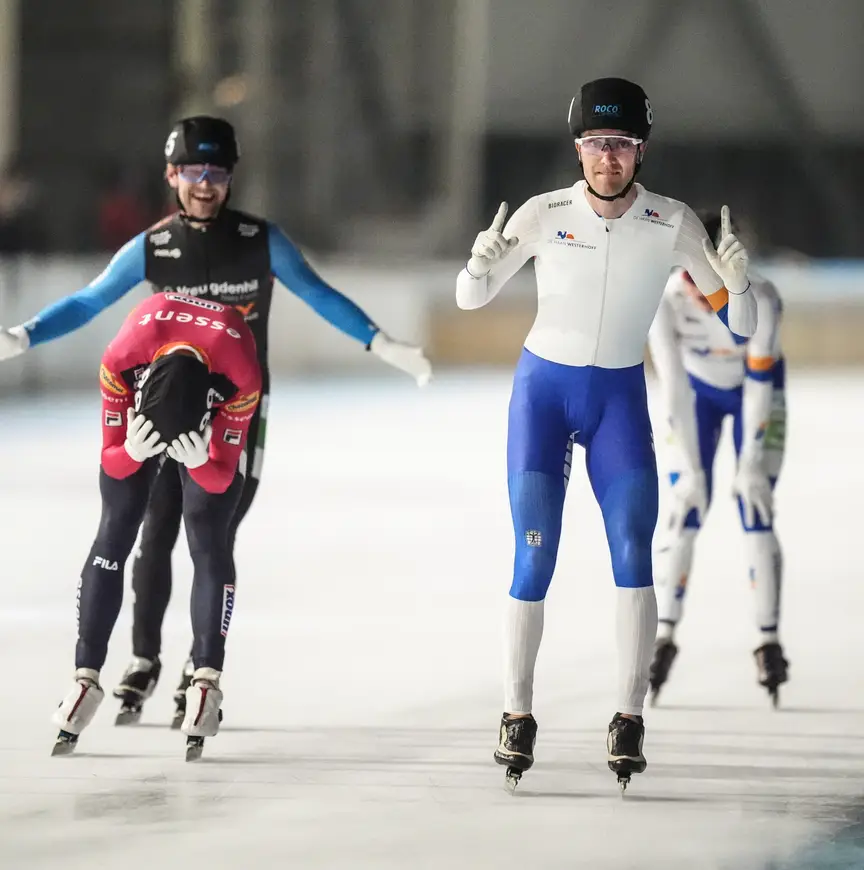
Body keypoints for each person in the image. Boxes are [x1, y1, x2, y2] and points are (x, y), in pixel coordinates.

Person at [0, 116, 432, 727]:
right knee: (154, 532)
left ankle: (198, 663)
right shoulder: (154, 245)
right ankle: (145, 658)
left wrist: (380, 342)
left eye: (218, 174)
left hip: (238, 409)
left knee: (214, 535)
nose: (206, 185)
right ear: (172, 176)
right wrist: (25, 335)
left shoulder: (261, 239)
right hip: (167, 404)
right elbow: (89, 300)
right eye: (194, 173)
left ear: (231, 179)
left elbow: (317, 291)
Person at [454, 78, 757, 791]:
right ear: (578, 148)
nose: (608, 159)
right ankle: (517, 713)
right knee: (534, 557)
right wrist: (479, 262)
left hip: (618, 399)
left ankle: (627, 715)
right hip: (544, 397)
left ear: (641, 149)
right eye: (596, 145)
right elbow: (472, 300)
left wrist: (736, 284)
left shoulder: (672, 222)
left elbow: (738, 328)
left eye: (620, 146)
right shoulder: (542, 213)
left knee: (633, 554)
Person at [51, 291, 261, 760]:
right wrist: (131, 451)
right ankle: (86, 674)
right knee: (116, 526)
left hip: (206, 416)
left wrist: (204, 458)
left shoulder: (241, 374)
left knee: (208, 536)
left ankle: (205, 677)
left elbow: (222, 475)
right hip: (145, 408)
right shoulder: (121, 359)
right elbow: (111, 460)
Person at [647, 211, 788, 706]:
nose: (699, 293)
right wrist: (689, 466)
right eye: (690, 277)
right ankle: (663, 633)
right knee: (685, 507)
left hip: (754, 390)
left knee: (756, 503)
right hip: (698, 397)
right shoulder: (664, 301)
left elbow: (761, 386)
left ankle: (767, 639)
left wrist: (750, 463)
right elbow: (674, 392)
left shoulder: (762, 297)